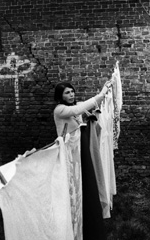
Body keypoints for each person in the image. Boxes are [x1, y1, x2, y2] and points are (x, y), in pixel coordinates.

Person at [53, 80, 111, 240]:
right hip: (70, 155)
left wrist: (88, 117)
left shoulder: (72, 108)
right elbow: (78, 109)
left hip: (80, 153)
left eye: (72, 92)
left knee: (85, 186)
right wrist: (101, 94)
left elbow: (80, 112)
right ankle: (72, 225)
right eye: (67, 93)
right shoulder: (60, 110)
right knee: (73, 188)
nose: (71, 95)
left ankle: (86, 221)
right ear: (60, 96)